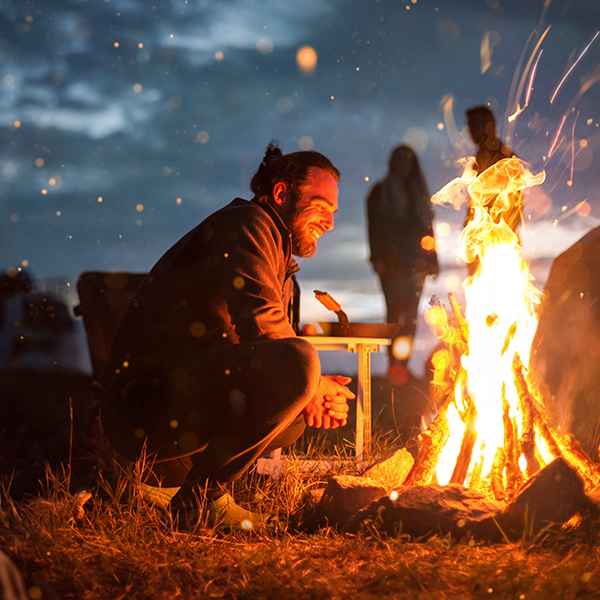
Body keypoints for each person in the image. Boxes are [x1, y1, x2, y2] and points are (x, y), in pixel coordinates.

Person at [100, 141, 355, 530]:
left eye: (334, 212)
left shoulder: (276, 250)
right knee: (300, 365)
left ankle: (168, 482)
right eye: (320, 206)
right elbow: (263, 324)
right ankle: (200, 498)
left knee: (295, 412)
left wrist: (310, 392)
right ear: (281, 193)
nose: (330, 222)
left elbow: (262, 342)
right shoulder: (246, 223)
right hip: (141, 405)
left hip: (177, 399)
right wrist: (312, 381)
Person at [366, 145, 438, 378]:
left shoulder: (417, 193)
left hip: (415, 264)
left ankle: (402, 367)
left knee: (411, 319)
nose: (403, 164)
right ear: (392, 162)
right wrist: (377, 257)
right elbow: (374, 228)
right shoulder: (380, 192)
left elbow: (427, 230)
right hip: (391, 263)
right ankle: (393, 367)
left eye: (408, 160)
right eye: (399, 159)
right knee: (394, 316)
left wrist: (433, 260)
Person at [464, 105, 521, 273]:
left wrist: (490, 234)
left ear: (489, 125)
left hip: (495, 241)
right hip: (486, 238)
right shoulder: (484, 155)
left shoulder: (501, 157)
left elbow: (513, 202)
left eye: (474, 124)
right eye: (469, 125)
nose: (470, 130)